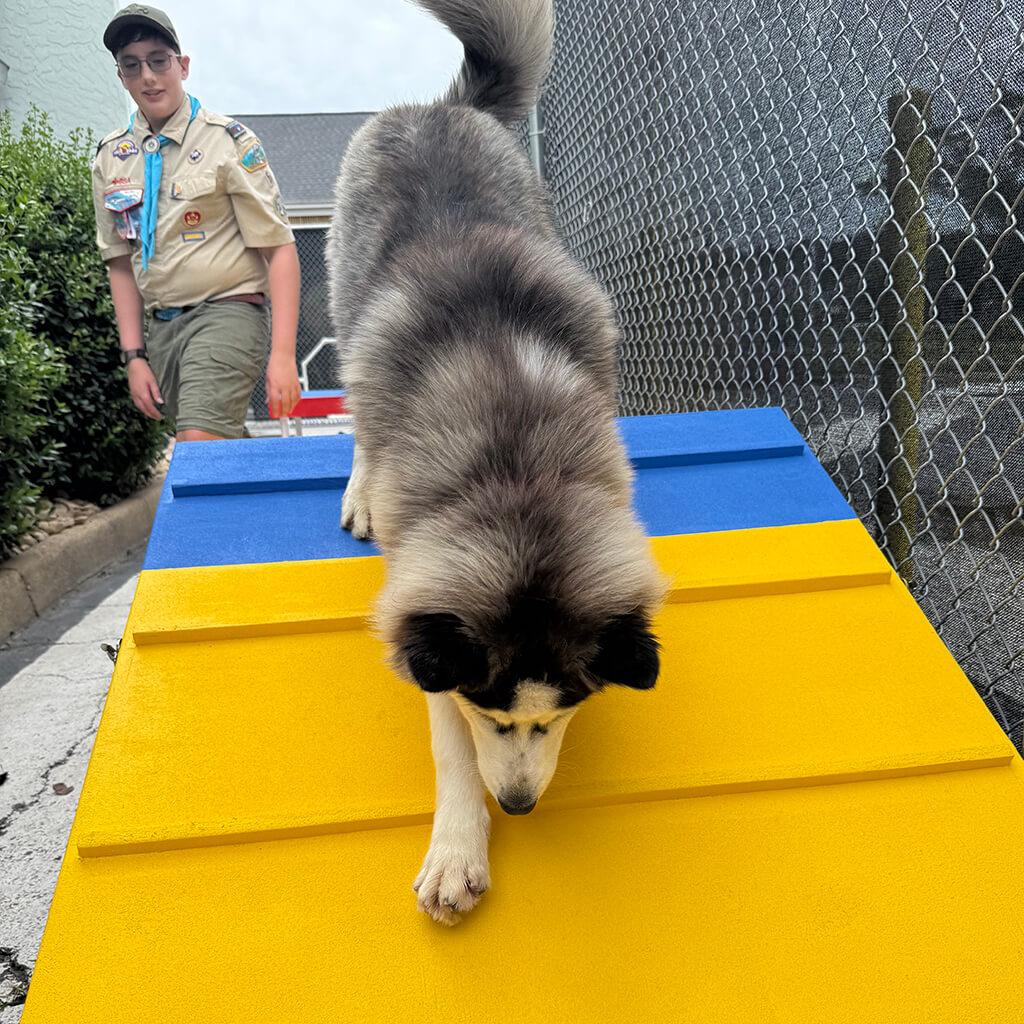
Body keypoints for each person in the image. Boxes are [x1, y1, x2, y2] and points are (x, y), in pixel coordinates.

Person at [92, 4, 302, 441]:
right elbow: (120, 262)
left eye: (158, 60)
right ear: (120, 77)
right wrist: (134, 356)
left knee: (198, 442)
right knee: (217, 452)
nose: (147, 76)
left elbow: (279, 248)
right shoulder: (112, 157)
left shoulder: (228, 142)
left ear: (182, 66)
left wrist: (283, 355)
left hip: (228, 311)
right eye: (132, 65)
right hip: (162, 329)